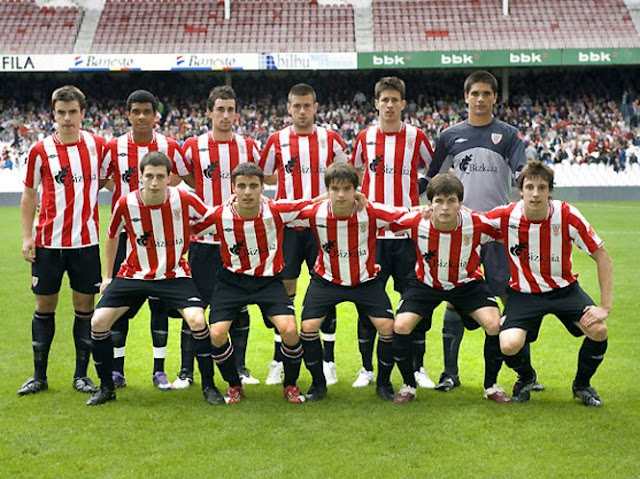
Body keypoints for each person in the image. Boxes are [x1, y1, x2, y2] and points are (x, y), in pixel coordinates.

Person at [426, 70, 543, 393]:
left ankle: (525, 375)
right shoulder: (450, 136)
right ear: (466, 97)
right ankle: (450, 374)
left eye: (486, 94)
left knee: (511, 299)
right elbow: (433, 180)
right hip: (461, 232)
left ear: (494, 98)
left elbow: (521, 174)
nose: (480, 99)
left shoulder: (508, 135)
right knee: (454, 300)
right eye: (475, 93)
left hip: (497, 232)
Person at [87, 152, 220, 405]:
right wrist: (107, 276)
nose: (155, 182)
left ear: (169, 178)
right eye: (149, 176)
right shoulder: (126, 203)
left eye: (160, 176)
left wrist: (234, 205)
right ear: (140, 177)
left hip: (174, 273)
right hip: (133, 274)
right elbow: (112, 235)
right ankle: (106, 388)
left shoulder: (184, 198)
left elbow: (212, 218)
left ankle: (209, 387)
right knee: (98, 321)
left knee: (197, 319)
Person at [485, 160, 612, 406]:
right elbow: (469, 223)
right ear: (520, 190)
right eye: (530, 187)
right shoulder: (506, 215)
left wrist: (605, 307)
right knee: (508, 344)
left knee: (599, 331)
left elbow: (603, 256)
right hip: (523, 293)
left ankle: (582, 385)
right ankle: (526, 377)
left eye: (542, 187)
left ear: (549, 191)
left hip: (564, 290)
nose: (535, 193)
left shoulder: (567, 215)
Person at [389, 174, 515, 404]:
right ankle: (408, 386)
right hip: (426, 284)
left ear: (460, 203)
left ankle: (491, 386)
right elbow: (385, 219)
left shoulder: (475, 223)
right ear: (430, 204)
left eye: (451, 201)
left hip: (467, 284)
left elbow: (508, 230)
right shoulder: (416, 221)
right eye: (439, 201)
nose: (445, 207)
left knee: (494, 324)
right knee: (401, 326)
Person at [288, 162, 406, 401]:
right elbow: (279, 213)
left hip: (365, 281)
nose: (341, 195)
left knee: (387, 327)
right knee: (308, 328)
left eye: (347, 189)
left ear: (356, 190)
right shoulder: (315, 213)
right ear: (328, 190)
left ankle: (383, 384)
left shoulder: (371, 212)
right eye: (335, 189)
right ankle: (318, 385)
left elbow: (406, 215)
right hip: (326, 280)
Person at [100, 90, 192, 391]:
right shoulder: (114, 147)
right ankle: (117, 370)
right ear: (128, 114)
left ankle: (159, 370)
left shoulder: (169, 146)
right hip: (126, 237)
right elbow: (101, 179)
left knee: (159, 305)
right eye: (136, 111)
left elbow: (183, 176)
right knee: (119, 307)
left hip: (161, 239)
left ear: (155, 115)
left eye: (147, 111)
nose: (141, 117)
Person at [19, 85, 105, 396]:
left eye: (72, 112)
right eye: (61, 113)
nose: (67, 118)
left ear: (83, 113)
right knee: (45, 306)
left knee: (85, 308)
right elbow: (29, 195)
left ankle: (81, 376)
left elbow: (110, 179)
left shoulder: (97, 146)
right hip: (48, 244)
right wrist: (27, 236)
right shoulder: (40, 150)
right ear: (53, 115)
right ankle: (39, 376)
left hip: (85, 243)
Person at [259, 83, 347, 386]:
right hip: (288, 229)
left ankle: (328, 361)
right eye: (296, 106)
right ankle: (279, 360)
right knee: (284, 293)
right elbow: (264, 175)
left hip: (322, 227)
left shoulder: (331, 139)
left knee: (328, 289)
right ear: (288, 108)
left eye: (307, 105)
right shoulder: (277, 140)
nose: (302, 111)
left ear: (316, 107)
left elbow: (346, 176)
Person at [350, 76, 435, 389]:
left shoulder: (416, 136)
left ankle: (418, 367)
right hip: (373, 235)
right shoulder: (365, 137)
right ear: (376, 103)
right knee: (368, 302)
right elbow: (355, 172)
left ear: (403, 103)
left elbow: (435, 170)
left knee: (415, 301)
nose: (389, 105)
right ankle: (366, 368)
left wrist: (417, 193)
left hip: (408, 234)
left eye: (394, 100)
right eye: (384, 100)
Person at [202, 162, 311, 404]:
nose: (247, 192)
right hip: (231, 282)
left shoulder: (276, 210)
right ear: (233, 188)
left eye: (253, 186)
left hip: (268, 282)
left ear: (263, 187)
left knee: (290, 330)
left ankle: (291, 385)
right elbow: (187, 226)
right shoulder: (220, 215)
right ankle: (234, 385)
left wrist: (354, 197)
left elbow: (313, 204)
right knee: (216, 334)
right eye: (242, 186)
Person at [181, 85, 261, 387]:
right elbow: (186, 179)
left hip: (238, 241)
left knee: (239, 305)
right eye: (220, 109)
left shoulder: (249, 146)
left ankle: (240, 368)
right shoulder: (193, 146)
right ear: (209, 112)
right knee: (196, 307)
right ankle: (186, 371)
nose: (225, 115)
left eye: (230, 110)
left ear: (236, 113)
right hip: (203, 242)